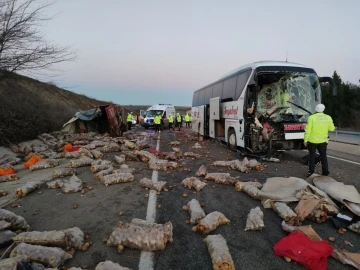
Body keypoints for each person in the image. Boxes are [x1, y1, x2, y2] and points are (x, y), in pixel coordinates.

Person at [304, 104, 335, 177]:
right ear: (323, 109)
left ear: (316, 109)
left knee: (312, 156)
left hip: (312, 141)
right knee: (323, 156)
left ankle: (311, 173)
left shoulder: (311, 117)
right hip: (323, 141)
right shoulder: (328, 117)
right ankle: (325, 172)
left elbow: (308, 130)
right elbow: (332, 129)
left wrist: (305, 140)